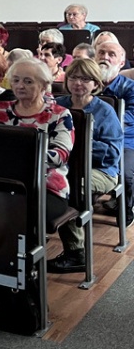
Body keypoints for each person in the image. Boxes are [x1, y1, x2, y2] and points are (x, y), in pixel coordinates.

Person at [0, 58, 73, 335]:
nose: (20, 86)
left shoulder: (60, 114)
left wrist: (16, 152)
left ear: (45, 85)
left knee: (11, 221)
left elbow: (59, 155)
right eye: (17, 80)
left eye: (28, 81)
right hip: (3, 186)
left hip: (46, 188)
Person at [50, 58, 123, 273]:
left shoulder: (104, 111)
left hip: (102, 171)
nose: (78, 83)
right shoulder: (57, 105)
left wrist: (81, 143)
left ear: (95, 84)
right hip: (64, 168)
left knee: (69, 186)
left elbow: (113, 154)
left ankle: (76, 252)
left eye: (85, 79)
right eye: (73, 77)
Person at [96, 41, 134, 225]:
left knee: (126, 175)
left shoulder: (130, 88)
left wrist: (98, 122)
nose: (105, 57)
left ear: (121, 62)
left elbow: (130, 117)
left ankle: (126, 210)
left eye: (111, 54)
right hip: (92, 141)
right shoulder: (85, 85)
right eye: (101, 53)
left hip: (125, 141)